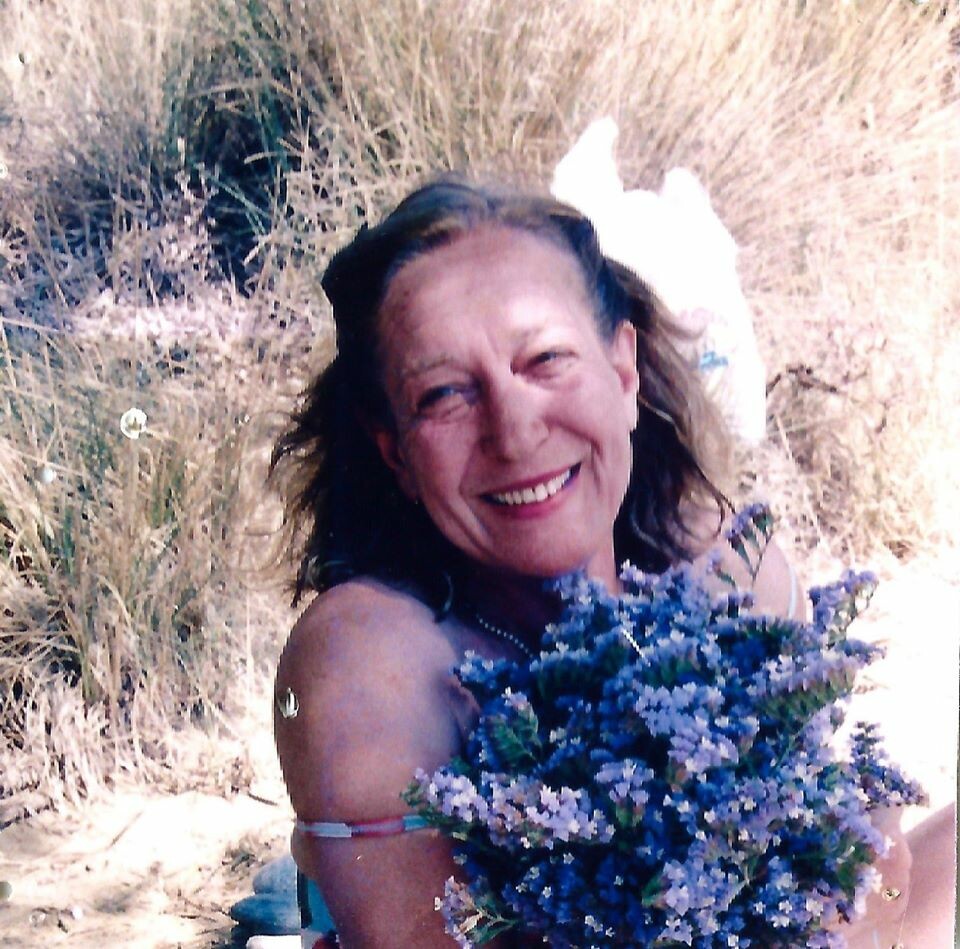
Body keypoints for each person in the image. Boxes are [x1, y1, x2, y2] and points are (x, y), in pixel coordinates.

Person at [270, 179, 954, 948]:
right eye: (445, 394)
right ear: (394, 449)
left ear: (623, 371)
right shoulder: (370, 661)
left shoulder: (726, 567)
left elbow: (817, 879)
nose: (515, 432)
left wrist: (863, 876)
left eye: (545, 359)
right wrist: (863, 922)